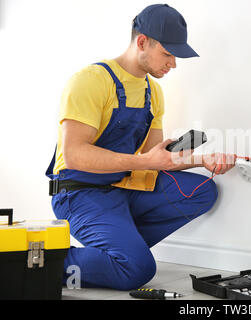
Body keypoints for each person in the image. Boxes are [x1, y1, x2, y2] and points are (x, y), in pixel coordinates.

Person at [45, 4, 236, 290]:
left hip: (122, 188)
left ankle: (120, 249)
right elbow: (74, 155)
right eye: (168, 53)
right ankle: (42, 264)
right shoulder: (91, 81)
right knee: (137, 270)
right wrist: (146, 162)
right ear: (142, 42)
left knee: (203, 191)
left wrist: (203, 159)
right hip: (79, 193)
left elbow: (155, 159)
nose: (173, 64)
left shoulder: (152, 92)